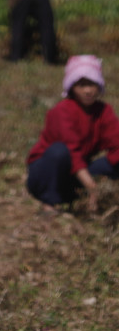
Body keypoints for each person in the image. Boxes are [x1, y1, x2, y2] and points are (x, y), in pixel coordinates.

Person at [26, 55, 119, 215]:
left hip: (76, 173)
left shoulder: (104, 111)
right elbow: (72, 152)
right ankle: (49, 203)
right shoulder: (62, 111)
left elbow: (116, 142)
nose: (88, 90)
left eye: (92, 84)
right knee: (59, 152)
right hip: (46, 174)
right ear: (71, 87)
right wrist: (92, 188)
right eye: (81, 85)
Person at [6, 0, 59, 64]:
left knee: (18, 28)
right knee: (47, 28)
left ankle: (15, 58)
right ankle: (49, 59)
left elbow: (13, 15)